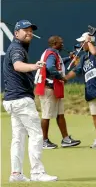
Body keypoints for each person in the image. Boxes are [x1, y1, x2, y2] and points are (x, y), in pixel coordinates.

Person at [3, 20, 57, 182]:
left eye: (30, 30)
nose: (28, 33)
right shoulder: (17, 49)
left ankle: (16, 174)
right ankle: (37, 173)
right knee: (36, 134)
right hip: (21, 100)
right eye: (24, 30)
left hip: (12, 100)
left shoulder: (18, 47)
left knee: (18, 138)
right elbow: (18, 66)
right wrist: (35, 66)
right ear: (16, 33)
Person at [35, 36, 81, 149]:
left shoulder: (53, 53)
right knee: (46, 116)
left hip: (54, 88)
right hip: (49, 89)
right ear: (55, 43)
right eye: (61, 43)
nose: (63, 45)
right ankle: (44, 141)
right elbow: (50, 67)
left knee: (60, 114)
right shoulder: (51, 54)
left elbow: (58, 62)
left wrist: (69, 58)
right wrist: (61, 77)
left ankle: (66, 139)